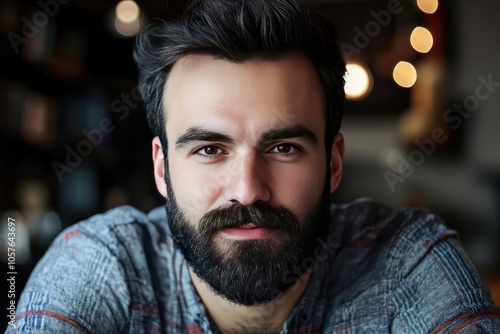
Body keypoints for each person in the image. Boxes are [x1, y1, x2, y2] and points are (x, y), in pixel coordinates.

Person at [7, 0, 500, 333]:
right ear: (162, 169)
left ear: (332, 163)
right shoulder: (101, 264)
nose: (247, 191)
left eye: (283, 148)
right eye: (209, 149)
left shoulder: (405, 261)